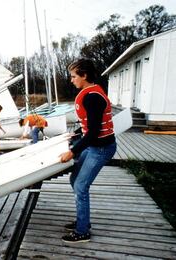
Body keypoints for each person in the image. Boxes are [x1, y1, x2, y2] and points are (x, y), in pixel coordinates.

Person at [59, 59, 116, 243]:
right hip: (94, 145)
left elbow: (93, 132)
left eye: (74, 76)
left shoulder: (92, 97)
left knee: (81, 186)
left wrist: (73, 152)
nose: (71, 80)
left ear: (84, 76)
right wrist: (74, 134)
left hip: (101, 148)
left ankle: (82, 231)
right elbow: (89, 125)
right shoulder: (90, 94)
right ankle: (83, 220)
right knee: (75, 180)